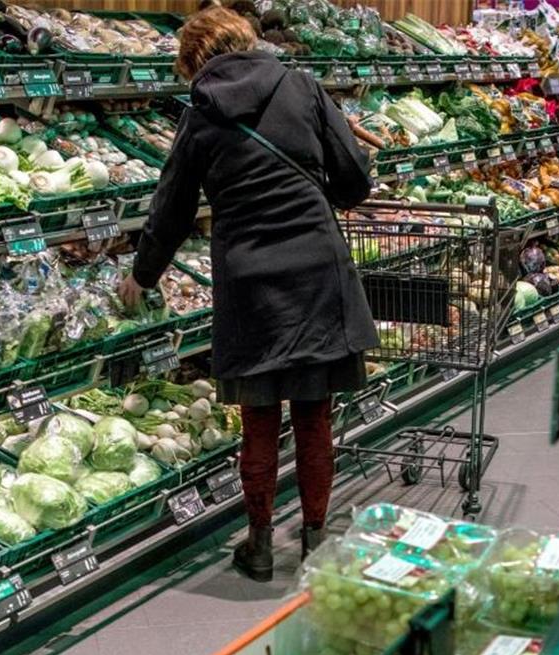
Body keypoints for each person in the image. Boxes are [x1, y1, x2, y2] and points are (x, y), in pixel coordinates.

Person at [117, 6, 379, 582]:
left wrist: (143, 276)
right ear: (247, 39)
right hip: (316, 268)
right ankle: (314, 540)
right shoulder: (302, 86)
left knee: (259, 419)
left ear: (195, 63)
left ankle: (259, 544)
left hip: (247, 279)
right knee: (314, 416)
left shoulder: (200, 114)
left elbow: (172, 209)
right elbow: (354, 184)